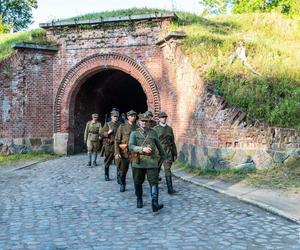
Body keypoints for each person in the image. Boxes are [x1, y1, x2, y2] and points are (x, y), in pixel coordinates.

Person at [129, 113, 166, 212]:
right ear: (139, 122)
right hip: (139, 162)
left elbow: (159, 145)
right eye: (142, 121)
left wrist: (164, 156)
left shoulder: (153, 132)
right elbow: (131, 146)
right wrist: (142, 149)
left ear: (148, 122)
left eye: (146, 121)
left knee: (154, 182)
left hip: (152, 162)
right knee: (138, 181)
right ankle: (139, 199)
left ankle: (155, 203)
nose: (144, 123)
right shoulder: (134, 133)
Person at [154, 112, 177, 194]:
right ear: (159, 119)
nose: (164, 118)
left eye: (165, 117)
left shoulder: (169, 129)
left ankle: (170, 189)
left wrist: (174, 153)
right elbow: (153, 141)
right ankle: (154, 187)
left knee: (168, 169)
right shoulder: (155, 129)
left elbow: (172, 141)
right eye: (162, 117)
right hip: (158, 151)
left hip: (167, 151)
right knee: (156, 169)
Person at [114, 110, 138, 192]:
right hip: (124, 152)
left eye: (134, 116)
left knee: (136, 170)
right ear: (128, 117)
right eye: (131, 116)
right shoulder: (122, 126)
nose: (133, 117)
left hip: (134, 152)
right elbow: (117, 140)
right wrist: (117, 152)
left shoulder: (137, 127)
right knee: (123, 170)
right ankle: (122, 184)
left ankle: (137, 186)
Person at [100, 110, 120, 181]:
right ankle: (106, 175)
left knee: (119, 161)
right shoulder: (107, 124)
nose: (116, 118)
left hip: (117, 145)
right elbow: (101, 134)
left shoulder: (120, 124)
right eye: (114, 116)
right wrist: (108, 132)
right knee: (108, 160)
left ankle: (119, 176)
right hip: (109, 145)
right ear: (111, 117)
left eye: (117, 116)